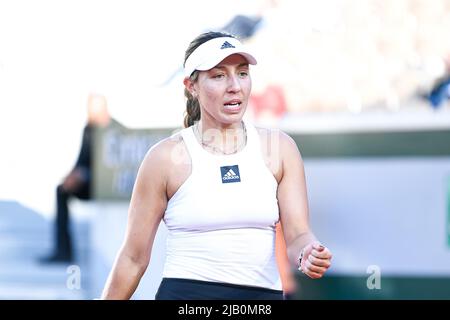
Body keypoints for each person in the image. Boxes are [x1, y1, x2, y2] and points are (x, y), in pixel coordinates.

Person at [100, 31, 332, 300]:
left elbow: (298, 235)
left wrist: (308, 252)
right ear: (191, 86)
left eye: (242, 73)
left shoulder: (281, 148)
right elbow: (133, 257)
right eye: (219, 75)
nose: (235, 85)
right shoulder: (163, 158)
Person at [40, 93, 111, 263]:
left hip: (102, 183)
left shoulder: (111, 129)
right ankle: (63, 250)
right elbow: (81, 160)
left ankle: (64, 251)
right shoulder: (88, 129)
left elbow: (107, 165)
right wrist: (70, 177)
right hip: (87, 182)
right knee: (61, 190)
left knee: (64, 189)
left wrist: (83, 175)